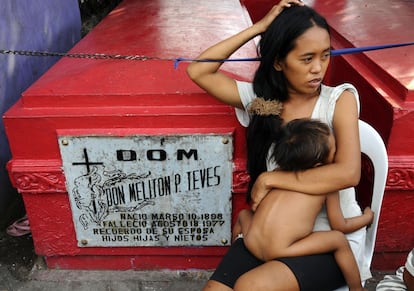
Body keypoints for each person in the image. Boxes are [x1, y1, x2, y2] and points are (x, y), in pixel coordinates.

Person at [187, 1, 369, 290]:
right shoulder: (265, 104)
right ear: (278, 62)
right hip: (271, 234)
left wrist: (271, 178)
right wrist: (259, 28)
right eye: (307, 59)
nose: (318, 68)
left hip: (326, 238)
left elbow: (349, 173)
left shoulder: (337, 100)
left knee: (253, 286)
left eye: (325, 55)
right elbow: (199, 72)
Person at [232, 118, 373, 291]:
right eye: (335, 147)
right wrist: (366, 218)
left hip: (252, 241)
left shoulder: (277, 174)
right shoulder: (327, 183)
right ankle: (357, 288)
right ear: (319, 164)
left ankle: (239, 258)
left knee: (243, 215)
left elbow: (257, 207)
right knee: (338, 240)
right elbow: (340, 225)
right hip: (279, 249)